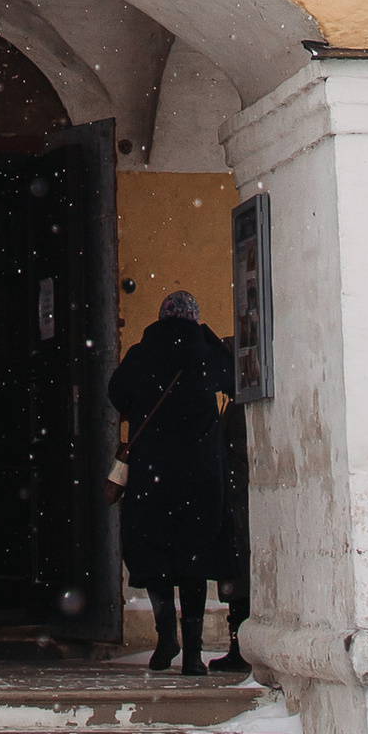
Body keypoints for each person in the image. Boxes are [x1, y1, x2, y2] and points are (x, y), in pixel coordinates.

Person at [107, 287, 247, 675]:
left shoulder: (141, 353)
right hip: (200, 476)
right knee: (194, 560)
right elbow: (235, 380)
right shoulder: (205, 352)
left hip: (152, 475)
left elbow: (116, 395)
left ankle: (166, 637)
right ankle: (192, 655)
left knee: (156, 556)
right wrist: (207, 339)